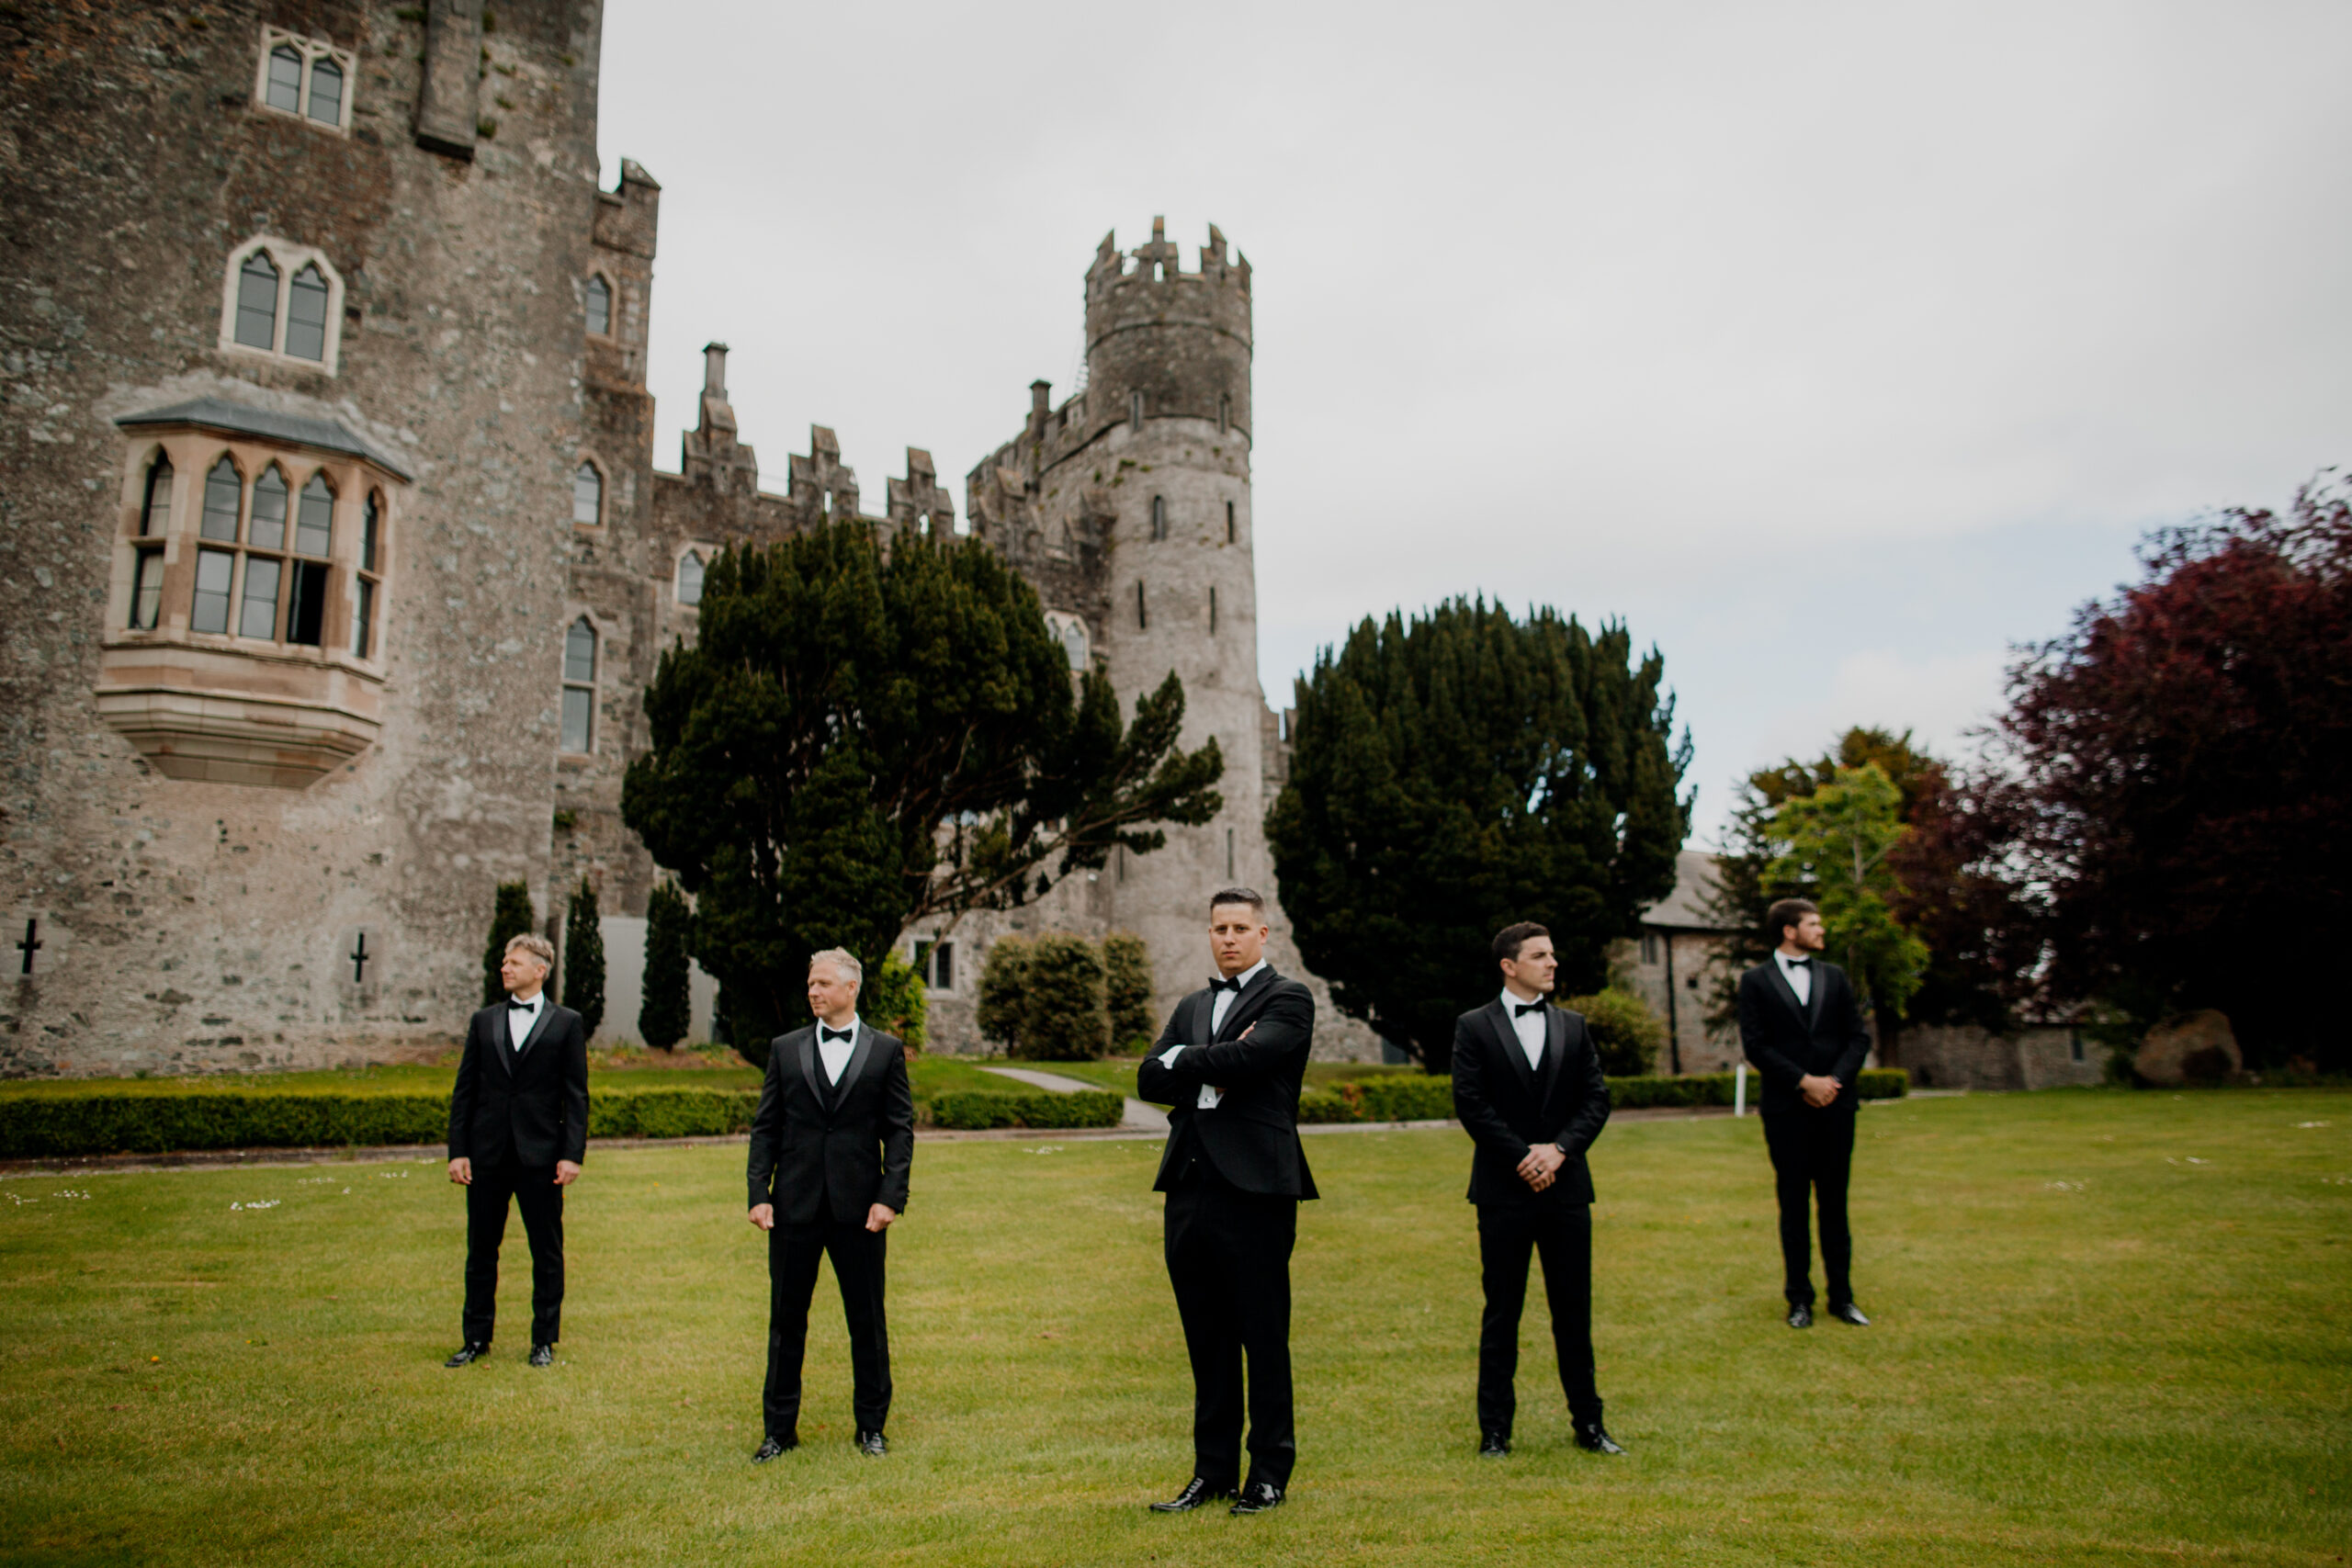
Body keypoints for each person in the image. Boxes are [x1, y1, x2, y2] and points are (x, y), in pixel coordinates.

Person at [1136, 888, 1317, 1517]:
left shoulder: (1289, 998)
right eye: (1220, 928)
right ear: (1209, 933)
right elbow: (1146, 1077)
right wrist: (1202, 1061)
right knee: (1205, 1337)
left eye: (1241, 927)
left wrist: (1186, 1060)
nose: (1229, 938)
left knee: (1262, 1334)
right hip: (1189, 1185)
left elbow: (1252, 1058)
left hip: (1258, 1188)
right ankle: (1211, 1470)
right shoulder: (1191, 1005)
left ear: (1264, 933)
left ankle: (1268, 1472)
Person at [1450, 921, 1621, 1458]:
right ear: (1509, 965)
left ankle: (1589, 1425)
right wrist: (1523, 1155)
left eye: (1553, 954)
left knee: (1574, 1311)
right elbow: (1471, 1103)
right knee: (1502, 1312)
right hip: (1503, 1191)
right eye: (1540, 955)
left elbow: (1596, 1099)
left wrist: (1560, 1149)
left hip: (1567, 1190)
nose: (1552, 963)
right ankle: (1495, 1431)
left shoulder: (1574, 1025)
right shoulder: (1474, 1026)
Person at [746, 948, 915, 1463]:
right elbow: (766, 1127)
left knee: (867, 1320)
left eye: (822, 983)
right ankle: (778, 1432)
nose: (813, 991)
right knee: (786, 1321)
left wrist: (890, 1198)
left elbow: (899, 1130)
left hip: (860, 1211)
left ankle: (871, 1428)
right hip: (793, 1205)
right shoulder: (785, 1048)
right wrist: (758, 1193)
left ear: (850, 989)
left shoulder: (885, 1051)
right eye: (810, 983)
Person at [445, 931, 590, 1369]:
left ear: (540, 970)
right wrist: (458, 1150)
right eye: (505, 962)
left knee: (546, 1252)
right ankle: (475, 1339)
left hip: (541, 1157)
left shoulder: (567, 1023)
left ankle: (543, 1340)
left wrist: (571, 1154)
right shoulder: (483, 1021)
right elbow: (464, 1091)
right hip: (487, 1154)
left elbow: (576, 1095)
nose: (505, 968)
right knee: (481, 1250)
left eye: (514, 962)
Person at [1736, 897, 1875, 1328]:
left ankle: (1843, 1299)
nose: (1822, 930)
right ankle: (1799, 1299)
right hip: (1785, 1110)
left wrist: (1832, 1082)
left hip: (1837, 1108)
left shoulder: (1835, 977)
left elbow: (1858, 1037)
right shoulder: (1755, 981)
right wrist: (1803, 1082)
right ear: (1789, 931)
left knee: (1835, 1204)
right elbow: (1756, 1045)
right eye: (1813, 924)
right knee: (1793, 1205)